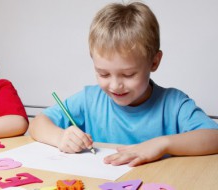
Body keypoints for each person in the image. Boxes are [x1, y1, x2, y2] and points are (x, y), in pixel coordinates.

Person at [29, 2, 218, 166]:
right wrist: (60, 137)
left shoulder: (173, 104)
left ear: (154, 62)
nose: (114, 85)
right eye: (103, 73)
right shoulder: (89, 99)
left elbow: (214, 137)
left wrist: (161, 144)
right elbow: (38, 123)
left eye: (128, 74)